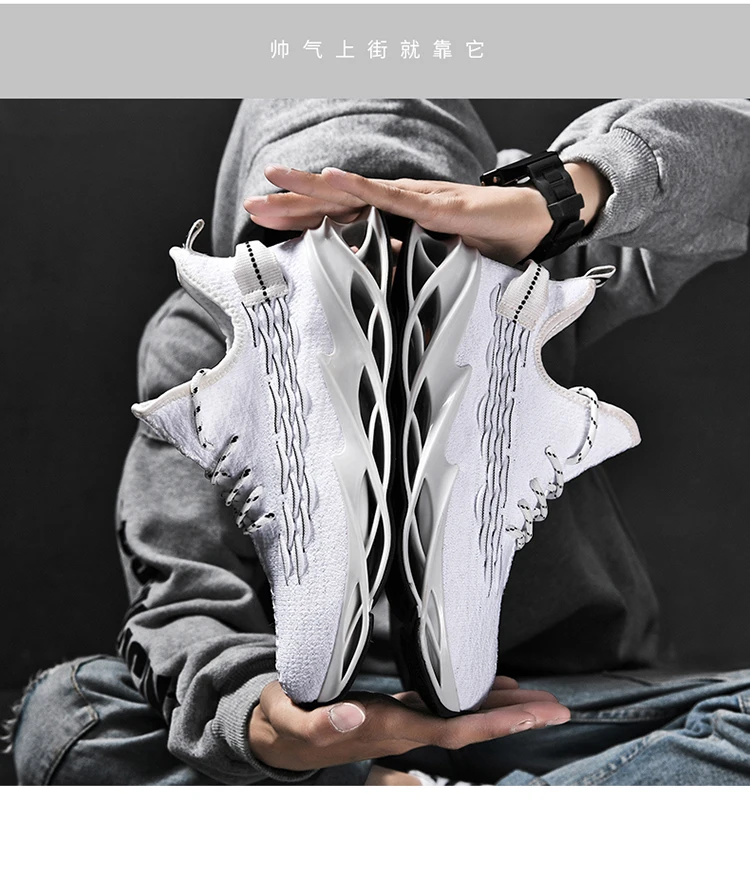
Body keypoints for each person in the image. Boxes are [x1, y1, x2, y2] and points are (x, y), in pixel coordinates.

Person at [8, 98, 750, 786]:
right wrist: (260, 720)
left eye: (419, 227)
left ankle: (405, 811)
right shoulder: (208, 336)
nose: (383, 262)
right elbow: (186, 600)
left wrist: (559, 196)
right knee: (69, 713)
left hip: (552, 702)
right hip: (331, 728)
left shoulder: (529, 281)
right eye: (331, 234)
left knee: (70, 725)